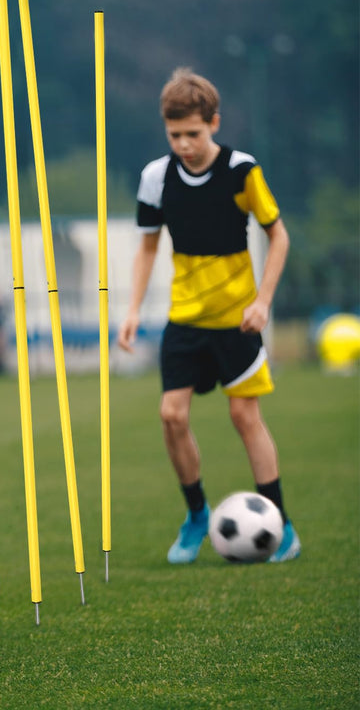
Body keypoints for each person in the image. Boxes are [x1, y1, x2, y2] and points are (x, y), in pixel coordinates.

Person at [117, 67, 301, 565]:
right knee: (171, 415)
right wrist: (132, 310)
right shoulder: (156, 178)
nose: (184, 145)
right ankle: (197, 514)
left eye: (193, 134)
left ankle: (281, 524)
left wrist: (262, 302)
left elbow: (278, 235)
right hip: (185, 319)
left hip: (237, 320)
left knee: (245, 416)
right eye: (175, 135)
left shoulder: (242, 171)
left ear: (214, 123)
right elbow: (147, 249)